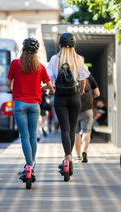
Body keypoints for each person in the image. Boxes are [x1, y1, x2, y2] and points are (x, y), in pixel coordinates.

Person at [7, 38, 54, 183]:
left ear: (23, 49)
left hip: (19, 104)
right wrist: (41, 88)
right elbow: (50, 86)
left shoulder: (15, 63)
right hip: (34, 105)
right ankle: (31, 166)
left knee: (24, 136)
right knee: (33, 135)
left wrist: (14, 90)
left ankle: (28, 166)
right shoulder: (40, 67)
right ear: (36, 52)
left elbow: (9, 83)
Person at [46, 32, 90, 178]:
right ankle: (68, 161)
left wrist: (52, 90)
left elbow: (49, 80)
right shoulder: (79, 59)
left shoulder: (55, 59)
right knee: (72, 129)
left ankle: (67, 159)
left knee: (64, 129)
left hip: (60, 97)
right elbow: (83, 80)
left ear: (59, 44)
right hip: (75, 97)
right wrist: (81, 91)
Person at [75, 74, 99, 163]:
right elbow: (97, 93)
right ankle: (84, 151)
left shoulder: (70, 76)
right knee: (86, 131)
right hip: (87, 109)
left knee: (76, 133)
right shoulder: (88, 76)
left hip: (74, 110)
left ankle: (78, 156)